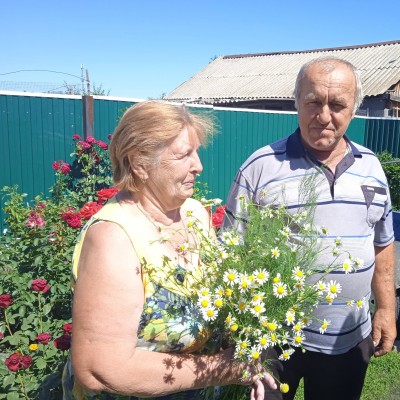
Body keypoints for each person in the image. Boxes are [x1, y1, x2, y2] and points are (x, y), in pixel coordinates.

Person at [62, 101, 276, 400]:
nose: (198, 166)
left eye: (196, 152)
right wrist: (228, 368)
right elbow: (100, 369)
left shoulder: (194, 213)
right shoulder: (114, 238)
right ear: (139, 163)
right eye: (183, 155)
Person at [222, 57, 396, 400]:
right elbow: (231, 250)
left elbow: (383, 242)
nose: (324, 116)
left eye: (338, 105)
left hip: (348, 337)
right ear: (297, 102)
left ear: (354, 108)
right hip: (272, 336)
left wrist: (387, 310)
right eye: (314, 102)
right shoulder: (260, 167)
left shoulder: (372, 167)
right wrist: (234, 329)